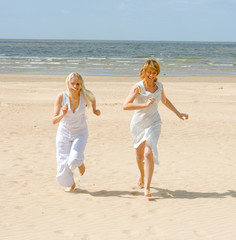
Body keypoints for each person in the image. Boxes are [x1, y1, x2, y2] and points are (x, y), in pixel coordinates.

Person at [123, 59, 188, 197]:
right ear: (144, 72)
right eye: (149, 72)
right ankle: (141, 175)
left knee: (148, 153)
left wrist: (178, 113)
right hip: (138, 124)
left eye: (154, 73)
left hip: (154, 123)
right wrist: (144, 105)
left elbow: (164, 100)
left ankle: (147, 188)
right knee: (139, 156)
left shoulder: (159, 86)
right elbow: (125, 105)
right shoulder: (138, 87)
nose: (152, 75)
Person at [52, 72, 100, 192]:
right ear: (68, 84)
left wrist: (94, 110)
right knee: (62, 165)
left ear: (81, 85)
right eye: (72, 83)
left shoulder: (85, 95)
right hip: (64, 133)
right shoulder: (61, 97)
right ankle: (71, 183)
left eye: (78, 84)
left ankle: (80, 162)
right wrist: (62, 114)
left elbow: (93, 98)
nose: (75, 86)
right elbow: (53, 120)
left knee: (74, 159)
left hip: (80, 132)